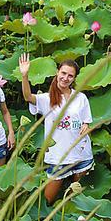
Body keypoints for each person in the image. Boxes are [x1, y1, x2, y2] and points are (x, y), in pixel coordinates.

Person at [19, 53, 93, 205]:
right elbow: (28, 97)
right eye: (63, 73)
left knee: (74, 198)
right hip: (57, 156)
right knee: (47, 200)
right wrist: (25, 76)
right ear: (57, 72)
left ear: (74, 79)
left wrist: (86, 126)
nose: (66, 78)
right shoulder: (47, 98)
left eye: (70, 76)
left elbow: (87, 121)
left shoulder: (80, 98)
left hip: (81, 153)